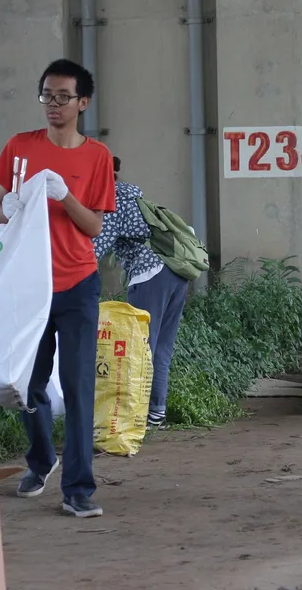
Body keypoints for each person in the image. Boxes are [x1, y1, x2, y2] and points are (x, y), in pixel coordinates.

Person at [0, 59, 115, 519]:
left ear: (83, 102)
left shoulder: (97, 157)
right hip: (29, 286)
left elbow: (95, 226)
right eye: (46, 95)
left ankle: (78, 489)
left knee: (78, 386)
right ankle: (41, 460)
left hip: (78, 283)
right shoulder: (20, 148)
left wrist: (65, 196)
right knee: (27, 384)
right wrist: (11, 207)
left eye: (63, 97)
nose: (53, 105)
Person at [92, 157, 191, 430]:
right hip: (176, 272)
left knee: (139, 349)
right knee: (161, 347)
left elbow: (93, 252)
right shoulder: (134, 196)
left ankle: (134, 416)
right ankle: (155, 415)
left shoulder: (110, 202)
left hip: (149, 275)